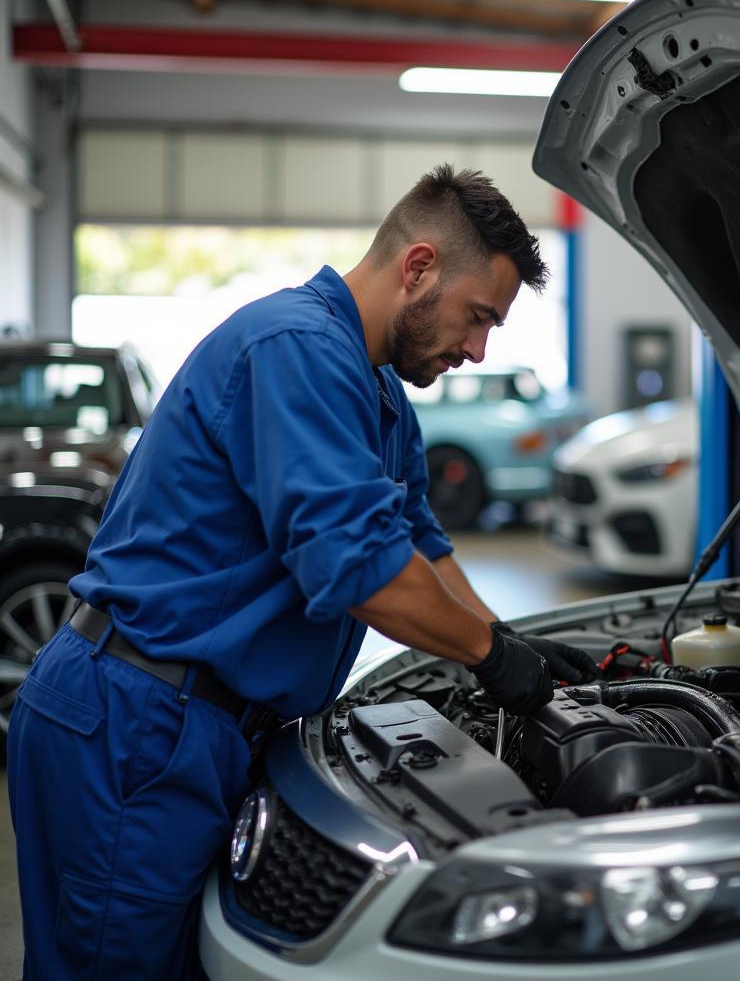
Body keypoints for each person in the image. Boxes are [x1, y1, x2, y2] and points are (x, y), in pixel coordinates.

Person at [8, 164, 597, 980]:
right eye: (479, 318)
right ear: (418, 267)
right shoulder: (297, 349)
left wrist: (509, 641)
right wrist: (493, 662)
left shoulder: (381, 392)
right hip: (134, 719)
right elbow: (364, 570)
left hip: (205, 724)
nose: (477, 348)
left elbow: (421, 547)